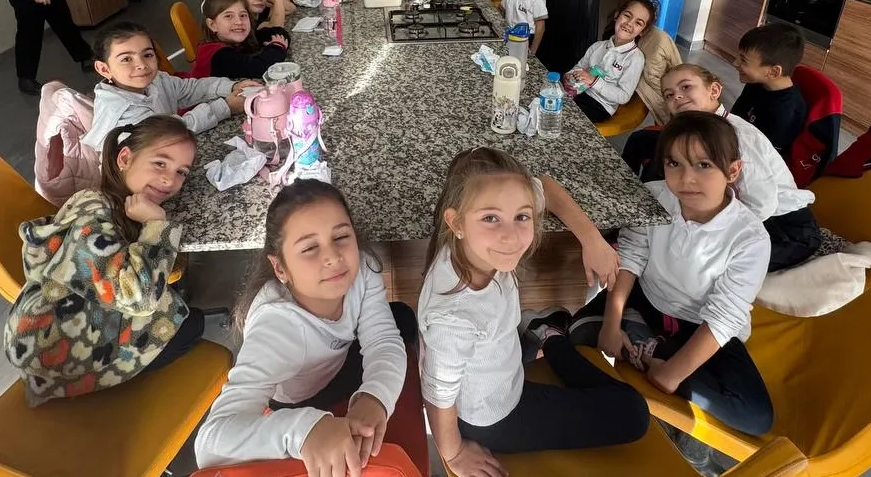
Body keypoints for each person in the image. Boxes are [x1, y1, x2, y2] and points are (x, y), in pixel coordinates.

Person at [419, 147, 649, 476]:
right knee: (633, 412)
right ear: (456, 222)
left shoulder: (466, 239)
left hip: (505, 369)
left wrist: (592, 240)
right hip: (495, 417)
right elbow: (437, 390)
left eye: (522, 217)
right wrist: (453, 453)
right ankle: (550, 335)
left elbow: (547, 188)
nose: (511, 235)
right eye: (490, 218)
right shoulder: (453, 316)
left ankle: (547, 332)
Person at [570, 111, 775, 438]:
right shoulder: (654, 195)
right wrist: (611, 324)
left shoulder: (750, 239)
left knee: (756, 417)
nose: (686, 178)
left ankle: (651, 350)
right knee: (577, 334)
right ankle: (638, 338)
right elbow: (632, 256)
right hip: (647, 299)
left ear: (733, 171)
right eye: (674, 163)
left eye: (703, 165)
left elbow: (723, 318)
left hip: (700, 325)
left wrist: (672, 375)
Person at [194, 180, 418, 473]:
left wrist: (374, 396)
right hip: (305, 398)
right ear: (280, 268)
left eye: (341, 237)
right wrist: (303, 431)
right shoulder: (277, 329)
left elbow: (383, 339)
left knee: (401, 318)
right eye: (310, 248)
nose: (333, 257)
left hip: (336, 360)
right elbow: (210, 444)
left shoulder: (361, 268)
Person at [5, 115, 203, 407]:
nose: (169, 180)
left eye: (181, 172)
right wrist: (156, 224)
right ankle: (100, 388)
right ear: (124, 158)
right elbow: (139, 298)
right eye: (160, 163)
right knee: (191, 323)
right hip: (53, 354)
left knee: (175, 303)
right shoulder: (93, 211)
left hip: (66, 326)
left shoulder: (111, 200)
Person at [657, 64, 821, 271]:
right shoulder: (697, 131)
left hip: (785, 228)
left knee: (704, 265)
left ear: (714, 90)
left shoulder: (739, 137)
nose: (677, 97)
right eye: (669, 95)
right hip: (749, 210)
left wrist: (717, 232)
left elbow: (762, 205)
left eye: (686, 87)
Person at [82, 22, 256, 151]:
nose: (141, 65)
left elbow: (190, 89)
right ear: (104, 69)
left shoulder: (156, 79)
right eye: (126, 59)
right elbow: (172, 133)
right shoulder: (123, 113)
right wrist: (226, 107)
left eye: (147, 55)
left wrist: (232, 86)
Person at [566, 0, 653, 123]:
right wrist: (569, 76)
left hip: (599, 105)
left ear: (643, 31)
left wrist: (594, 81)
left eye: (638, 23)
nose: (629, 23)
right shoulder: (598, 46)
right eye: (627, 16)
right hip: (577, 92)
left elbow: (623, 96)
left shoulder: (635, 58)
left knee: (562, 115)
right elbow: (579, 67)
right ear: (617, 15)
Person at [731, 24, 808, 153]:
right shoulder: (757, 83)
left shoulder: (786, 113)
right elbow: (735, 118)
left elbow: (762, 157)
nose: (735, 62)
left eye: (743, 60)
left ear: (773, 72)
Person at [188, 0, 289, 81]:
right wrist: (277, 46)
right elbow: (259, 68)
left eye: (243, 15)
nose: (239, 21)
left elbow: (278, 31)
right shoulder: (218, 55)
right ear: (212, 25)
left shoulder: (235, 39)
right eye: (228, 16)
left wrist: (277, 38)